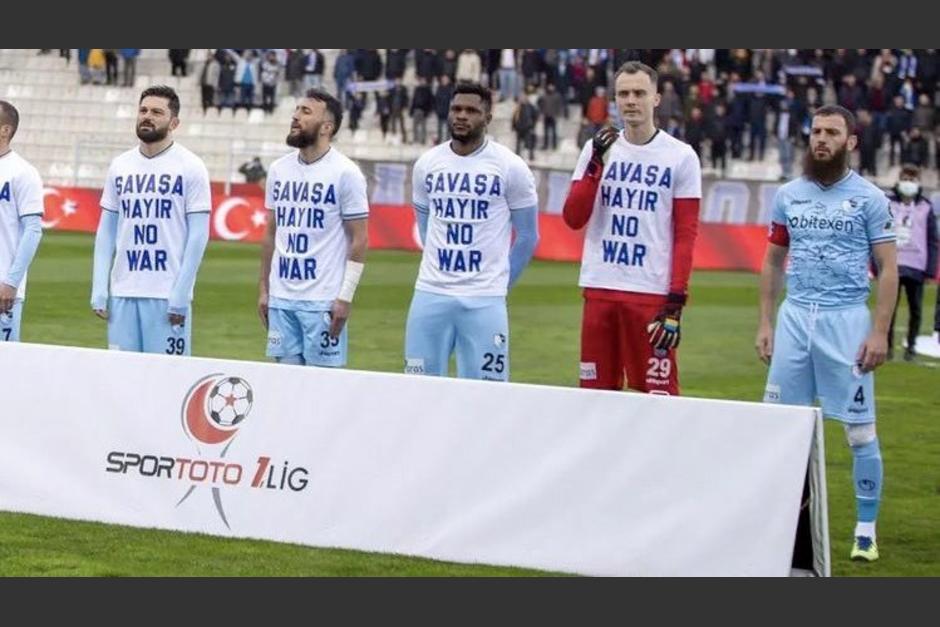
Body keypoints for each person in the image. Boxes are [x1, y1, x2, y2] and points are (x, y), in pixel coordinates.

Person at [755, 105, 898, 563]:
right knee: (779, 429)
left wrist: (879, 332)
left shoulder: (871, 199)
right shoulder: (788, 195)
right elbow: (774, 260)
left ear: (850, 142)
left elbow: (889, 268)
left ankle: (864, 531)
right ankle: (781, 527)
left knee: (859, 433)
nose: (821, 139)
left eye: (832, 132)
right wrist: (765, 321)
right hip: (796, 317)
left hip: (845, 320)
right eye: (816, 131)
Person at [562, 61, 702, 395]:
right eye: (623, 94)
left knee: (657, 399)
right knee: (595, 397)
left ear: (656, 98)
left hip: (650, 295)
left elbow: (686, 233)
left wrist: (675, 301)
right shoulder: (597, 148)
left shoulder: (681, 156)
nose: (631, 101)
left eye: (639, 93)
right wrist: (596, 163)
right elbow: (573, 217)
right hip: (600, 288)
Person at [404, 82, 539, 381]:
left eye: (471, 111)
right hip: (431, 293)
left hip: (485, 300)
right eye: (456, 109)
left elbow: (528, 236)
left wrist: (500, 286)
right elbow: (425, 228)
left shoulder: (510, 167)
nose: (461, 116)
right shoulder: (427, 164)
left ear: (487, 118)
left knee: (487, 398)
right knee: (416, 390)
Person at [91, 85, 211, 356]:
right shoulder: (120, 165)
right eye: (143, 110)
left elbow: (198, 234)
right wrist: (100, 285)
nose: (148, 116)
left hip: (166, 295)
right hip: (122, 291)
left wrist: (181, 293)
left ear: (174, 122)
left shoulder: (191, 167)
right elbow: (106, 231)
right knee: (121, 381)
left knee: (168, 383)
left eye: (157, 112)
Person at [258, 89, 368, 368]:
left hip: (322, 302)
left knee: (322, 391)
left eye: (306, 112)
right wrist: (264, 289)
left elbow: (359, 239)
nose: (295, 116)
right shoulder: (279, 170)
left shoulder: (346, 173)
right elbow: (271, 234)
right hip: (282, 300)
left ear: (327, 127)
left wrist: (345, 297)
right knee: (286, 387)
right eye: (296, 110)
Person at [0, 100, 44, 343]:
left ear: (5, 130)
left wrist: (11, 282)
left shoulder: (22, 172)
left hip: (3, 291)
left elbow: (33, 231)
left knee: (3, 369)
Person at [887, 164, 937, 361]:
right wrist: (876, 263)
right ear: (899, 180)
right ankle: (887, 346)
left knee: (916, 309)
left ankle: (911, 347)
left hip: (917, 264)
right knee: (889, 307)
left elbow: (932, 240)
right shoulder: (887, 204)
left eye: (912, 179)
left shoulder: (926, 207)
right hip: (893, 264)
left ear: (918, 182)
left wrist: (930, 269)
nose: (908, 183)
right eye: (905, 178)